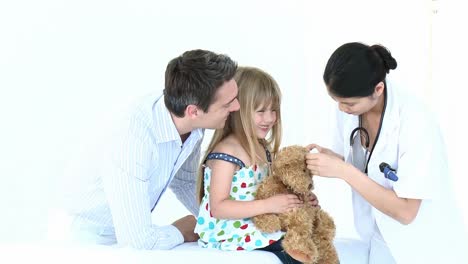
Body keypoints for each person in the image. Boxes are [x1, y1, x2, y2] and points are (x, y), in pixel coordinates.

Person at [61, 49, 240, 250]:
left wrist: (225, 222)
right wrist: (181, 229)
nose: (237, 107)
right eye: (228, 103)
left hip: (131, 236)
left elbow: (184, 181)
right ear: (193, 111)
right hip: (87, 241)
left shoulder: (193, 123)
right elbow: (137, 241)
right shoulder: (132, 139)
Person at [305, 42, 467, 263]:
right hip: (380, 239)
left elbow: (406, 212)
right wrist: (333, 160)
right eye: (337, 102)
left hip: (424, 246)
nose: (342, 109)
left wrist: (343, 170)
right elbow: (363, 163)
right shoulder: (350, 108)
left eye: (348, 104)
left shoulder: (416, 121)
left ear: (378, 89)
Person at [194, 66, 318, 264]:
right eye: (260, 111)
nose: (269, 118)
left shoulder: (262, 148)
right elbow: (218, 208)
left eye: (273, 111)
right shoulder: (227, 152)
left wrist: (297, 200)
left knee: (316, 244)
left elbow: (268, 190)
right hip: (230, 229)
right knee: (296, 254)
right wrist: (268, 205)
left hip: (258, 222)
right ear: (237, 109)